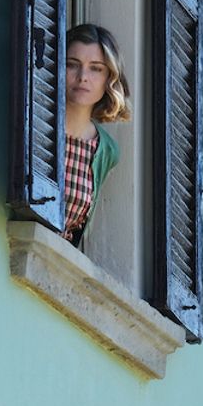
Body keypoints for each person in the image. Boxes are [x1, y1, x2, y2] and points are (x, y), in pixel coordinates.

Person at [62, 23, 131, 246]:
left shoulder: (106, 150)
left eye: (96, 68)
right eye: (72, 65)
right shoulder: (36, 124)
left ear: (109, 77)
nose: (83, 76)